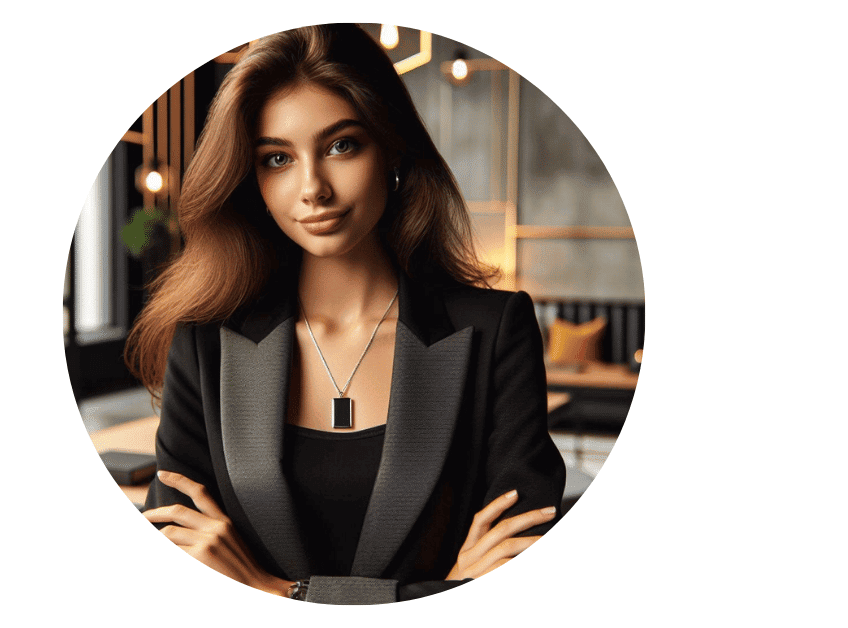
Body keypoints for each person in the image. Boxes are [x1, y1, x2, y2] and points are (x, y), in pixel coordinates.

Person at [125, 24, 565, 604]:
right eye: (277, 158)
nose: (312, 188)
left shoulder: (494, 331)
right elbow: (176, 573)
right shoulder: (206, 341)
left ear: (394, 150)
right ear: (251, 178)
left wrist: (276, 591)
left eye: (341, 146)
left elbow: (520, 579)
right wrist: (442, 588)